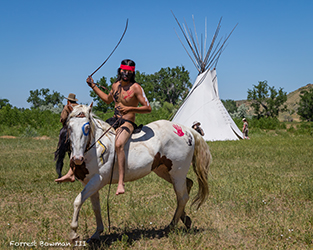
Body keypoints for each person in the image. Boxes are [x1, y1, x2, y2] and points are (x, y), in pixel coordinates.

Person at [56, 59, 151, 196]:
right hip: (114, 120)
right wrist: (93, 86)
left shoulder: (136, 88)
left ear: (133, 73)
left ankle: (120, 182)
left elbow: (148, 108)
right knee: (86, 136)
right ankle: (71, 173)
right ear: (120, 70)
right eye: (124, 71)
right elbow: (107, 99)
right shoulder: (115, 85)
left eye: (129, 72)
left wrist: (129, 108)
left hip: (127, 123)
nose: (126, 74)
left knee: (118, 144)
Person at [54, 93, 79, 182]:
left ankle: (60, 173)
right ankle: (75, 173)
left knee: (61, 152)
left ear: (68, 100)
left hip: (68, 127)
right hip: (77, 128)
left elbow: (63, 118)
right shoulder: (79, 107)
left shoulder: (67, 107)